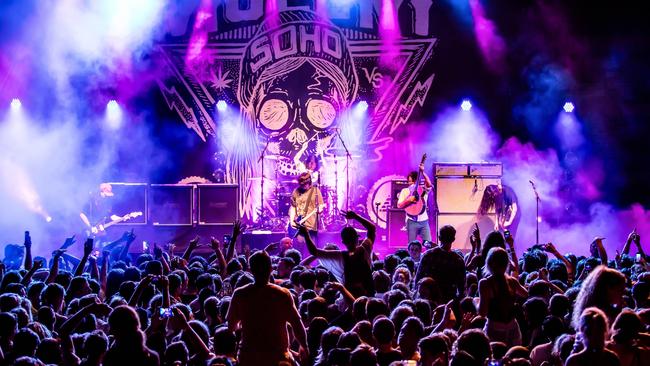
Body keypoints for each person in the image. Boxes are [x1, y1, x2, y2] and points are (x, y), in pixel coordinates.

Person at [226, 251, 308, 366]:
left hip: (249, 358)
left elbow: (231, 328)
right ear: (270, 269)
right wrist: (304, 347)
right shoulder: (282, 294)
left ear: (250, 270)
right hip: (278, 358)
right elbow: (297, 324)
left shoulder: (240, 294)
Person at [298, 210, 376, 297]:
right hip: (369, 295)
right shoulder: (365, 249)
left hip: (350, 298)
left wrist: (306, 234)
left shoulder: (338, 256)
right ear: (357, 239)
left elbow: (314, 251)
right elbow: (372, 228)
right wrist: (355, 216)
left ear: (343, 242)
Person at [478, 247, 528, 347]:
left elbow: (482, 313)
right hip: (513, 329)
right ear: (506, 264)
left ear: (489, 262)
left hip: (494, 330)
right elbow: (525, 294)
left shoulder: (485, 283)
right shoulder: (512, 281)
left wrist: (475, 303)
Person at [415, 225, 465, 303]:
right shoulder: (458, 260)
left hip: (428, 301)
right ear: (453, 239)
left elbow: (418, 280)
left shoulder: (428, 255)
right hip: (448, 302)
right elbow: (462, 290)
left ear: (439, 238)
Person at [289, 172, 326, 252]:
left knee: (310, 251)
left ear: (309, 182)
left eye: (306, 184)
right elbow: (292, 206)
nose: (304, 186)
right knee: (298, 250)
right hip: (298, 226)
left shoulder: (315, 191)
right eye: (302, 184)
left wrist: (320, 209)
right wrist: (291, 220)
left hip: (311, 226)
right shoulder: (296, 191)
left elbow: (321, 205)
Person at [397, 161, 433, 243]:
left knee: (428, 244)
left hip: (424, 221)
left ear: (417, 181)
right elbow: (399, 206)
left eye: (413, 182)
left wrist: (422, 172)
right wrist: (408, 200)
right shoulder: (405, 191)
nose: (411, 184)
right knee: (412, 245)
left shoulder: (423, 189)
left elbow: (429, 184)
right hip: (411, 221)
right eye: (409, 181)